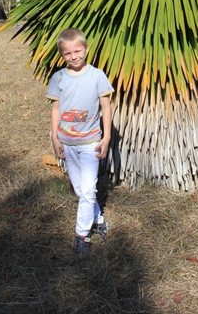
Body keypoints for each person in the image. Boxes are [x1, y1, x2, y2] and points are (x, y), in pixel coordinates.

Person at [46, 28, 114, 256]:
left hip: (90, 143)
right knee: (81, 190)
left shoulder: (97, 76)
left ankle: (82, 235)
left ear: (86, 49)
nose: (74, 56)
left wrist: (106, 137)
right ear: (62, 54)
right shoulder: (58, 78)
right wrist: (55, 137)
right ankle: (99, 218)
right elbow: (55, 109)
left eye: (78, 51)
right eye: (68, 53)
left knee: (87, 190)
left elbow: (106, 107)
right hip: (67, 143)